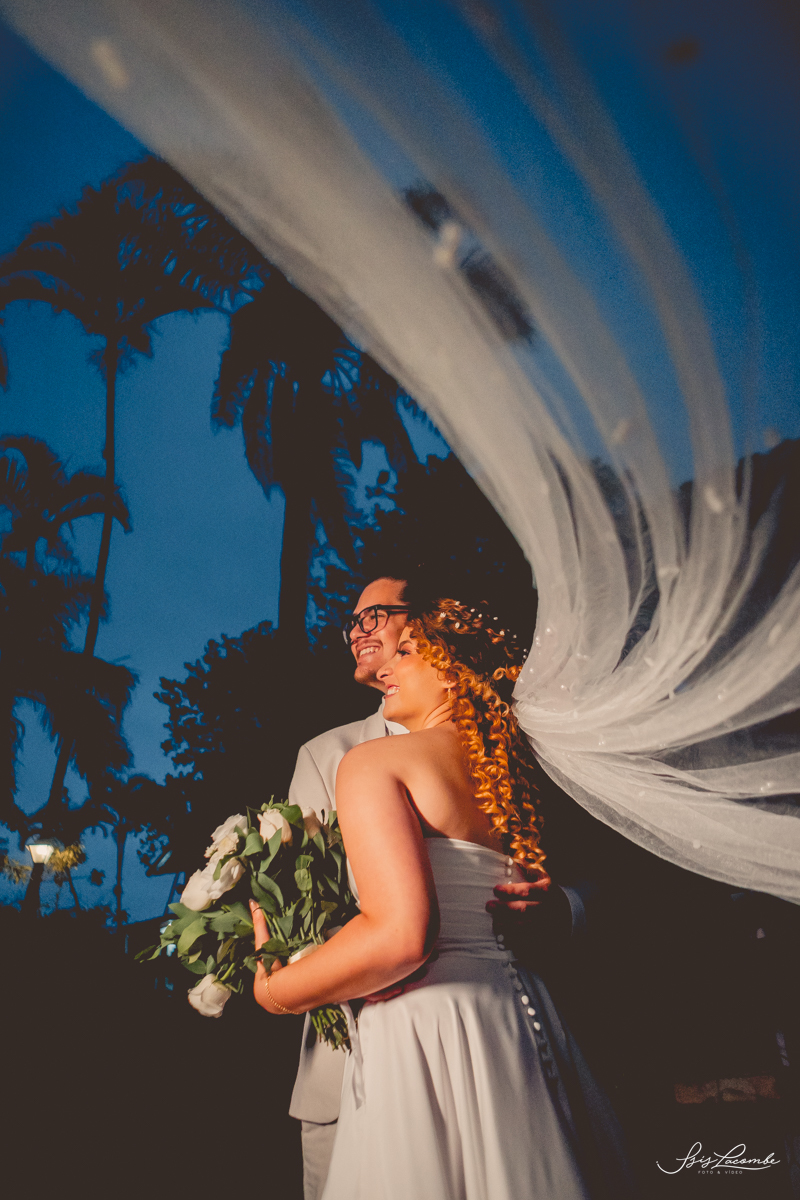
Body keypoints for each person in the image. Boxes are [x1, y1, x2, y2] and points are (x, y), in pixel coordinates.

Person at [253, 597, 637, 1199]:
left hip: (423, 1027)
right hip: (520, 1017)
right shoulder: (512, 778)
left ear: (453, 668)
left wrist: (275, 989)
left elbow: (401, 937)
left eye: (406, 650)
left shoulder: (371, 763)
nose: (385, 666)